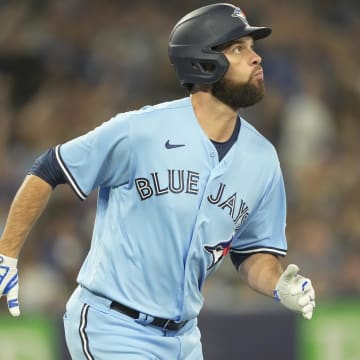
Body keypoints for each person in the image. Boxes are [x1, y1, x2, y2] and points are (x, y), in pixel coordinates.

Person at [0, 3, 316, 359]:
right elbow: (50, 167)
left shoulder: (262, 159)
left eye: (252, 48)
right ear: (203, 62)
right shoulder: (142, 131)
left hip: (184, 339)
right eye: (238, 49)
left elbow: (249, 254)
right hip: (113, 326)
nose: (256, 58)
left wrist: (278, 284)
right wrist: (7, 253)